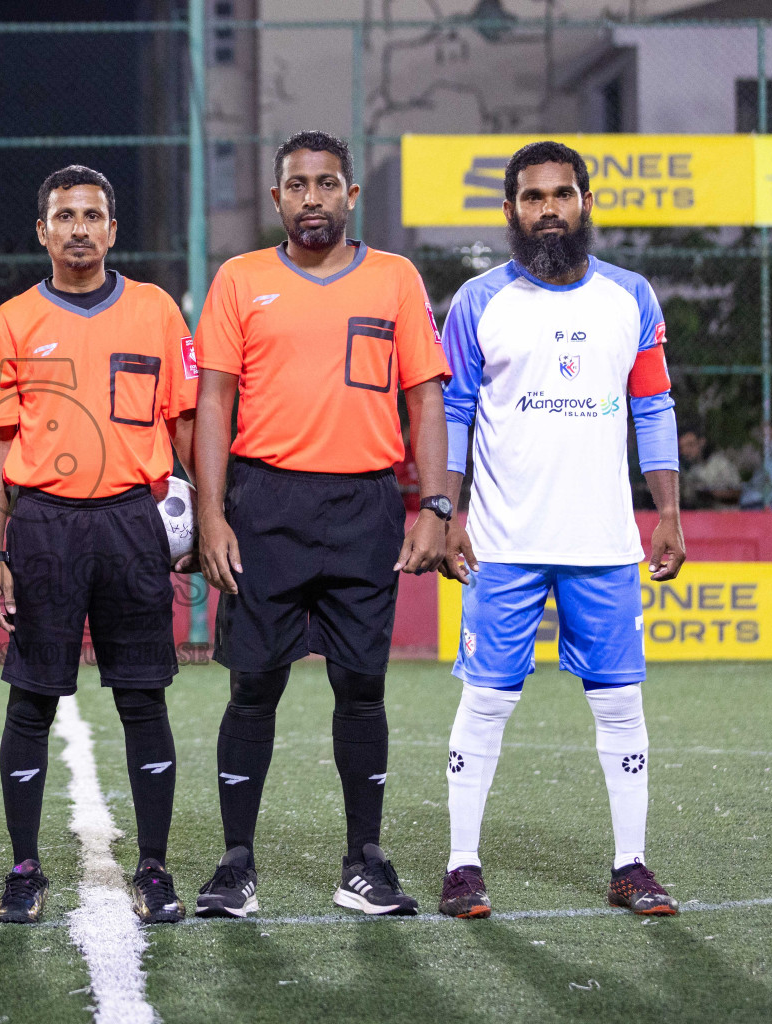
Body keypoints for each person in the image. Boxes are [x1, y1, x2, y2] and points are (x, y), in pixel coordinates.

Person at [192, 130, 451, 918]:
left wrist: (435, 504)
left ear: (350, 196)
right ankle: (236, 863)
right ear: (277, 199)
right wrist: (210, 514)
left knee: (361, 686)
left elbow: (426, 395)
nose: (314, 197)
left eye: (328, 183)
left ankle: (364, 861)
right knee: (254, 686)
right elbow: (212, 401)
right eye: (298, 185)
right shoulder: (240, 279)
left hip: (366, 504)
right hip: (263, 505)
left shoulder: (395, 278)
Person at [437, 140, 684, 919]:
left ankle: (631, 866)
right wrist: (448, 513)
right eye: (533, 196)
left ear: (584, 203)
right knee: (486, 700)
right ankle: (462, 865)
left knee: (620, 704)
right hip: (504, 542)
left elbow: (653, 405)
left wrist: (668, 511)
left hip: (603, 543)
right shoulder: (479, 301)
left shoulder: (631, 297)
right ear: (510, 209)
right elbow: (452, 412)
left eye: (563, 194)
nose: (549, 209)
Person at [0, 165, 198, 924]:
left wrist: (200, 520)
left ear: (111, 228)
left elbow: (186, 422)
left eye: (92, 214)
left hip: (133, 522)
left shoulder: (157, 312)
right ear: (42, 231)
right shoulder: (11, 320)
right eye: (63, 215)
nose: (78, 227)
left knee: (143, 697)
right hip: (43, 524)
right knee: (32, 698)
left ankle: (156, 867)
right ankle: (24, 867)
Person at [678, 430, 742, 510]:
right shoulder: (689, 470)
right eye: (682, 448)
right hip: (700, 518)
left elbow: (736, 493)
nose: (686, 451)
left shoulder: (720, 464)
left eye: (690, 445)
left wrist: (710, 494)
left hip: (725, 516)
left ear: (701, 442)